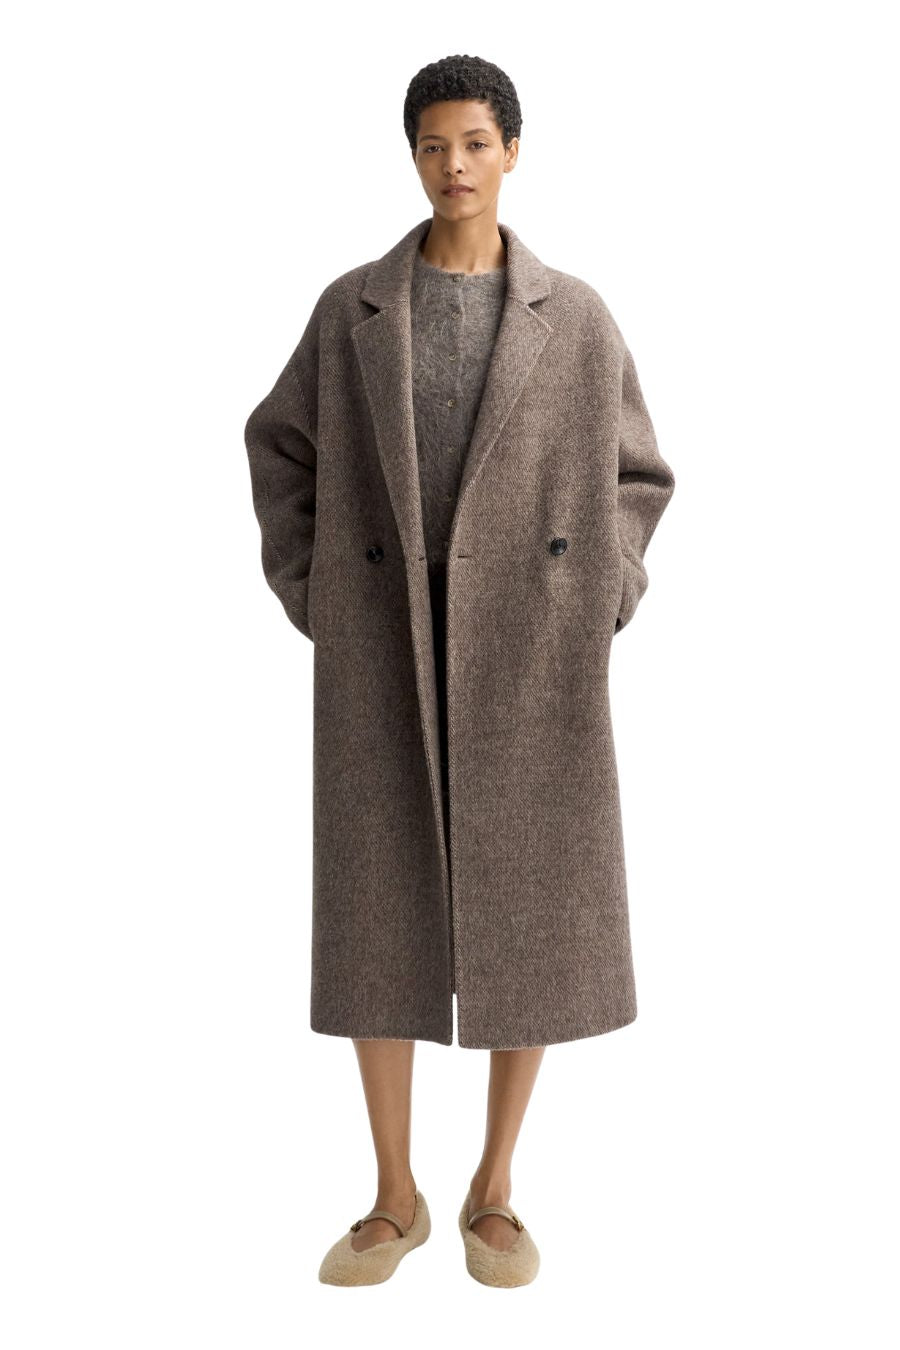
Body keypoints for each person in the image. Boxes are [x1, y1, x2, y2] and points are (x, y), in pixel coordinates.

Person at [244, 54, 675, 1289]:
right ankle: (394, 1196)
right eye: (435, 145)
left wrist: (601, 596)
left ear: (513, 151)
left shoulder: (574, 317)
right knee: (375, 908)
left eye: (477, 142)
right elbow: (279, 448)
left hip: (527, 650)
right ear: (414, 157)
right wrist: (319, 594)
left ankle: (495, 1189)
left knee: (529, 907)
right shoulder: (353, 310)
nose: (455, 165)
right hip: (385, 644)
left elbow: (638, 475)